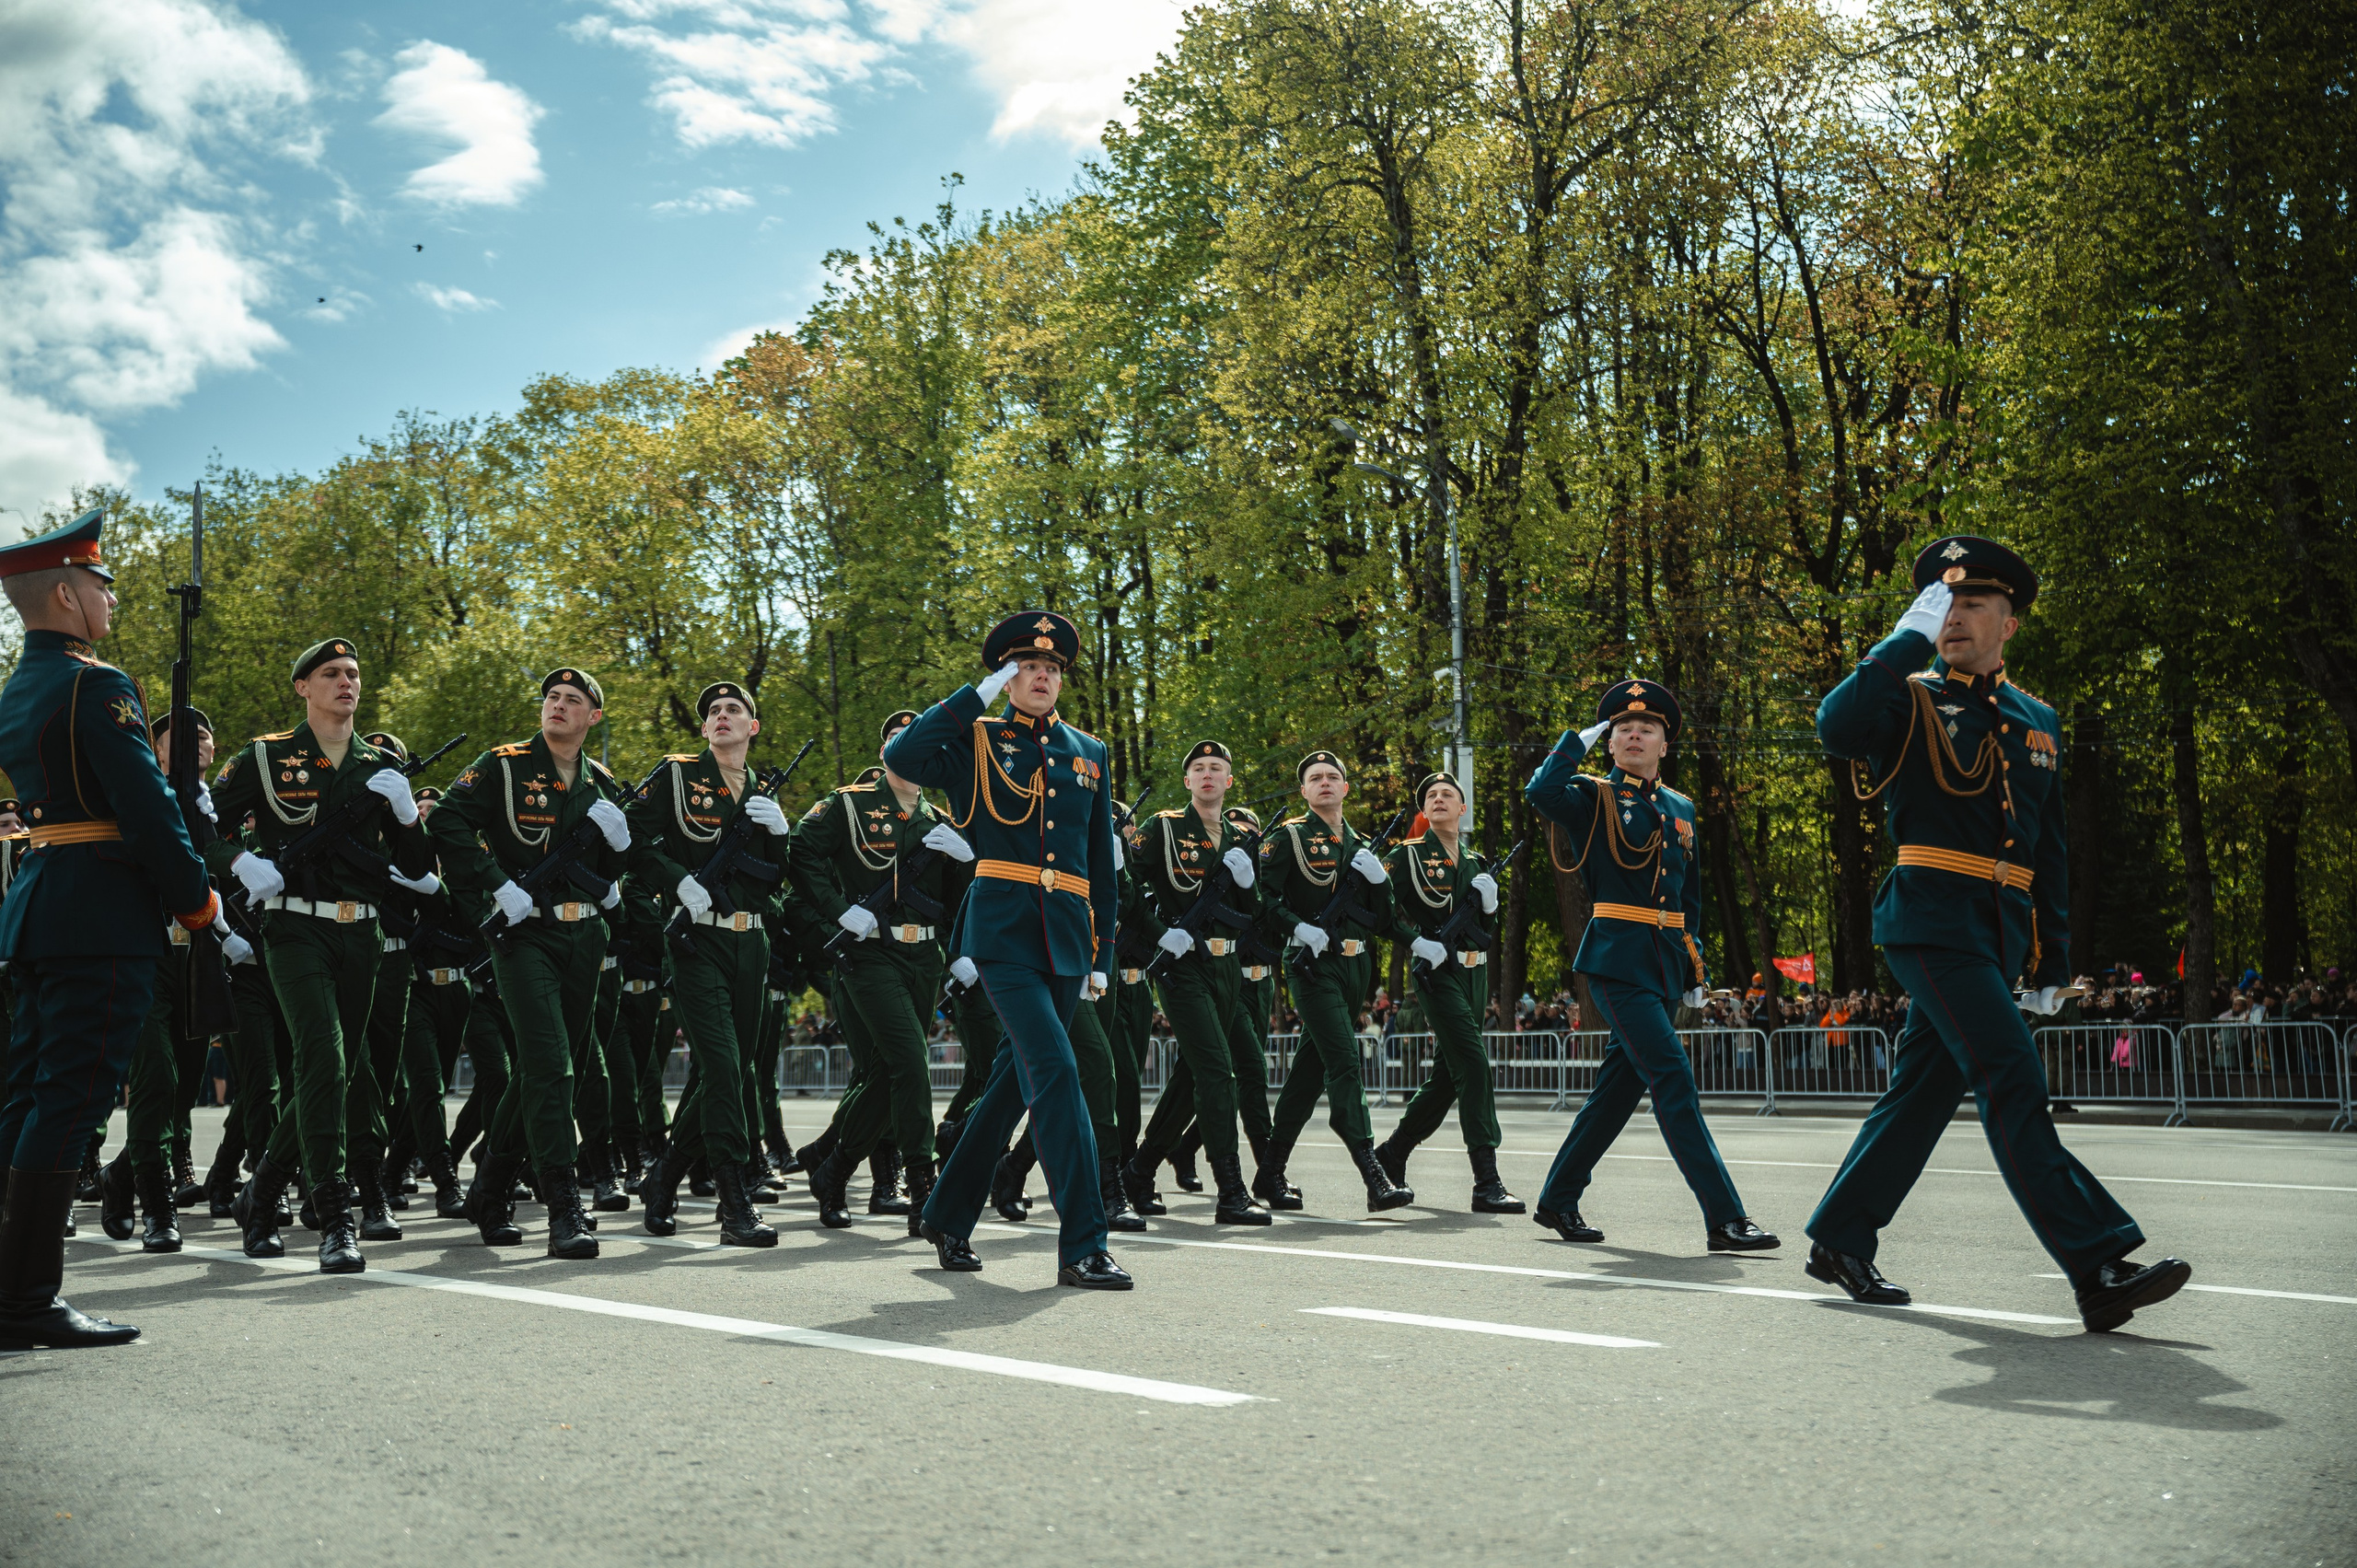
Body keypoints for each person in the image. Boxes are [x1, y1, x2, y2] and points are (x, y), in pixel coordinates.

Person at [1806, 535, 2187, 1332]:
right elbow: (1836, 727)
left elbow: (2048, 855)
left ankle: (1841, 1237)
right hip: (1931, 919)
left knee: (1921, 1094)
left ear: (2008, 623)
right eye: (1944, 603)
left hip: (1998, 935)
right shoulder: (1905, 696)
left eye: (1974, 602)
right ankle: (2095, 1262)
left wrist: (2051, 959)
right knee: (2011, 1072)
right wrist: (1902, 638)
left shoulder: (2035, 719)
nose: (1956, 616)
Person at [0, 509, 234, 1349]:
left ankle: (10, 1287)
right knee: (72, 1100)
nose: (110, 599)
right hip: (101, 914)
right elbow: (147, 809)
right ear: (65, 591)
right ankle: (26, 1300)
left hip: (41, 906)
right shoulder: (97, 684)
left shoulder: (20, 687)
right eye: (101, 584)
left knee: (29, 1094)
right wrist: (198, 902)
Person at [883, 610, 1129, 1289]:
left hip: (1068, 935)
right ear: (1007, 675)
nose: (1042, 675)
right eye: (1027, 667)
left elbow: (1099, 870)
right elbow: (902, 758)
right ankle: (1085, 1241)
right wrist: (972, 698)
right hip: (1002, 931)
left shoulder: (1090, 750)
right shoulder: (976, 738)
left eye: (1051, 668)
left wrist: (1103, 956)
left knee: (1012, 1086)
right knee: (1056, 1069)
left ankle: (945, 1214)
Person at [1526, 679, 1777, 1253]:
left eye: (1648, 729)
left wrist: (1695, 971)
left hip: (1665, 964)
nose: (1635, 734)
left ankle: (1558, 1199)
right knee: (1673, 1075)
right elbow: (1541, 792)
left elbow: (1687, 900)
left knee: (1614, 1094)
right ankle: (1725, 1218)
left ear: (1665, 744)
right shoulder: (1590, 796)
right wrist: (1574, 744)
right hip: (1617, 960)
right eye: (1622, 730)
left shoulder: (1681, 808)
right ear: (1610, 745)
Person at [209, 638, 436, 1272]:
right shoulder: (265, 756)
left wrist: (406, 816)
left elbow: (417, 870)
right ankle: (336, 1215)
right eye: (331, 673)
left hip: (361, 933)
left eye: (354, 673)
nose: (346, 682)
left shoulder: (377, 764)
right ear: (302, 687)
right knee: (325, 1060)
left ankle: (261, 1193)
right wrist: (238, 860)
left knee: (329, 1072)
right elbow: (194, 825)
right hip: (295, 929)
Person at [430, 667, 641, 1260]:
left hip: (585, 937)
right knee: (552, 1066)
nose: (559, 705)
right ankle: (563, 1205)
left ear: (592, 717)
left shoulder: (600, 783)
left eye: (573, 700)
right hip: (525, 934)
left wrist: (621, 845)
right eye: (552, 697)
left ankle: (491, 1190)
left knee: (544, 1069)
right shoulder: (503, 765)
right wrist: (495, 884)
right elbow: (448, 820)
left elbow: (615, 872)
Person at [788, 708, 970, 1233]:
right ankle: (922, 1189)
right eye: (899, 740)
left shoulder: (942, 821)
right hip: (871, 954)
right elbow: (801, 853)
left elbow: (959, 899)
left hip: (925, 958)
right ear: (886, 751)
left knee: (889, 1074)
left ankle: (833, 1166)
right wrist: (837, 908)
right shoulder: (849, 805)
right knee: (910, 1064)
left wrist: (969, 858)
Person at [632, 681, 795, 1246]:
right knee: (725, 1068)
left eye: (735, 710)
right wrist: (676, 881)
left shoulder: (759, 794)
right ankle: (734, 1202)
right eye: (713, 712)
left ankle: (665, 1177)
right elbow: (632, 838)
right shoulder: (677, 775)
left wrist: (780, 834)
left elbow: (775, 878)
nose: (722, 716)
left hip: (751, 946)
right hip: (696, 941)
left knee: (728, 1071)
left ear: (753, 728)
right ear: (704, 731)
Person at [1250, 751, 1412, 1214]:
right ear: (1303, 791)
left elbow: (1383, 919)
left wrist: (1381, 881)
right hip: (1311, 965)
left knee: (1308, 1075)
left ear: (1345, 788)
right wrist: (1297, 926)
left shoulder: (1361, 845)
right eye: (1314, 778)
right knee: (1345, 1062)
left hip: (1354, 969)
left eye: (1332, 776)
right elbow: (1261, 898)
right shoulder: (1290, 838)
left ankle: (1269, 1174)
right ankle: (1374, 1175)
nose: (1324, 783)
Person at [1117, 741, 1271, 1225]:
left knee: (1193, 1075)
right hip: (1182, 967)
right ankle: (1230, 1188)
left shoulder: (1240, 838)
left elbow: (1256, 917)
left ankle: (1140, 1171)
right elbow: (1123, 889)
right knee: (1217, 1071)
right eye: (1199, 769)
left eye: (1217, 769)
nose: (1208, 775)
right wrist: (1161, 931)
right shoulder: (1163, 828)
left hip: (1228, 970)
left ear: (1229, 781)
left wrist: (1249, 887)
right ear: (1187, 782)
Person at [1373, 772, 1523, 1213]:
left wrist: (1491, 908)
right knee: (1474, 1064)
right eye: (1431, 796)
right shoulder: (1407, 858)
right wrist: (1414, 940)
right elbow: (1380, 914)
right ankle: (1486, 1181)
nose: (1439, 799)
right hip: (1436, 975)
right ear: (1425, 810)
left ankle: (1393, 1152)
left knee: (1446, 1078)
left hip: (1473, 977)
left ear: (1462, 808)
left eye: (1448, 795)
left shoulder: (1476, 863)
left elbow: (1484, 936)